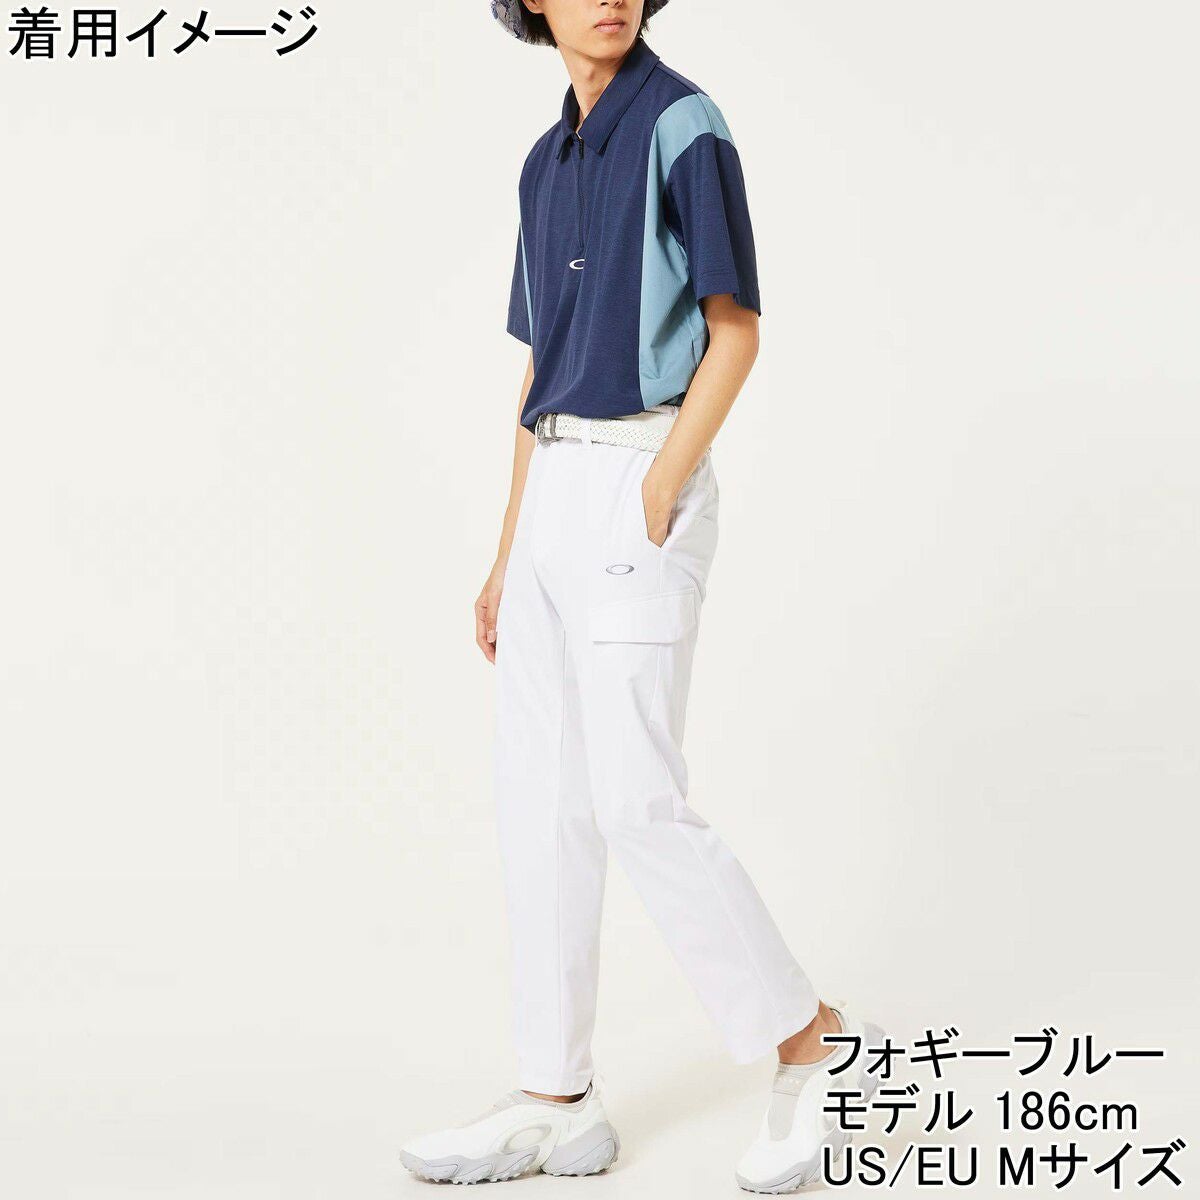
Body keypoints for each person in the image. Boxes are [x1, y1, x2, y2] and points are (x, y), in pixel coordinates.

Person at [400, 2, 880, 1191]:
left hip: (636, 477)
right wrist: (507, 549)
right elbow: (541, 366)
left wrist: (664, 478)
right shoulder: (543, 161)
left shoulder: (684, 124)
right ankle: (556, 1096)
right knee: (543, 806)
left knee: (632, 799)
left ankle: (812, 1040)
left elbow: (735, 330)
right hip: (553, 488)